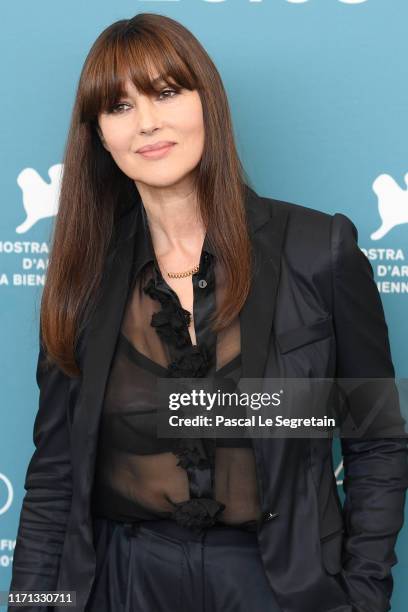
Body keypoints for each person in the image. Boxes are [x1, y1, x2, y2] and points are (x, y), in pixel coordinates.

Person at [8, 12, 408, 612]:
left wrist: (363, 595)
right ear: (97, 134)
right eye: (119, 107)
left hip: (277, 584)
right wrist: (35, 605)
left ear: (207, 103)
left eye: (167, 93)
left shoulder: (316, 249)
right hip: (122, 582)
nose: (147, 123)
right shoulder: (85, 275)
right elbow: (56, 473)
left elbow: (376, 437)